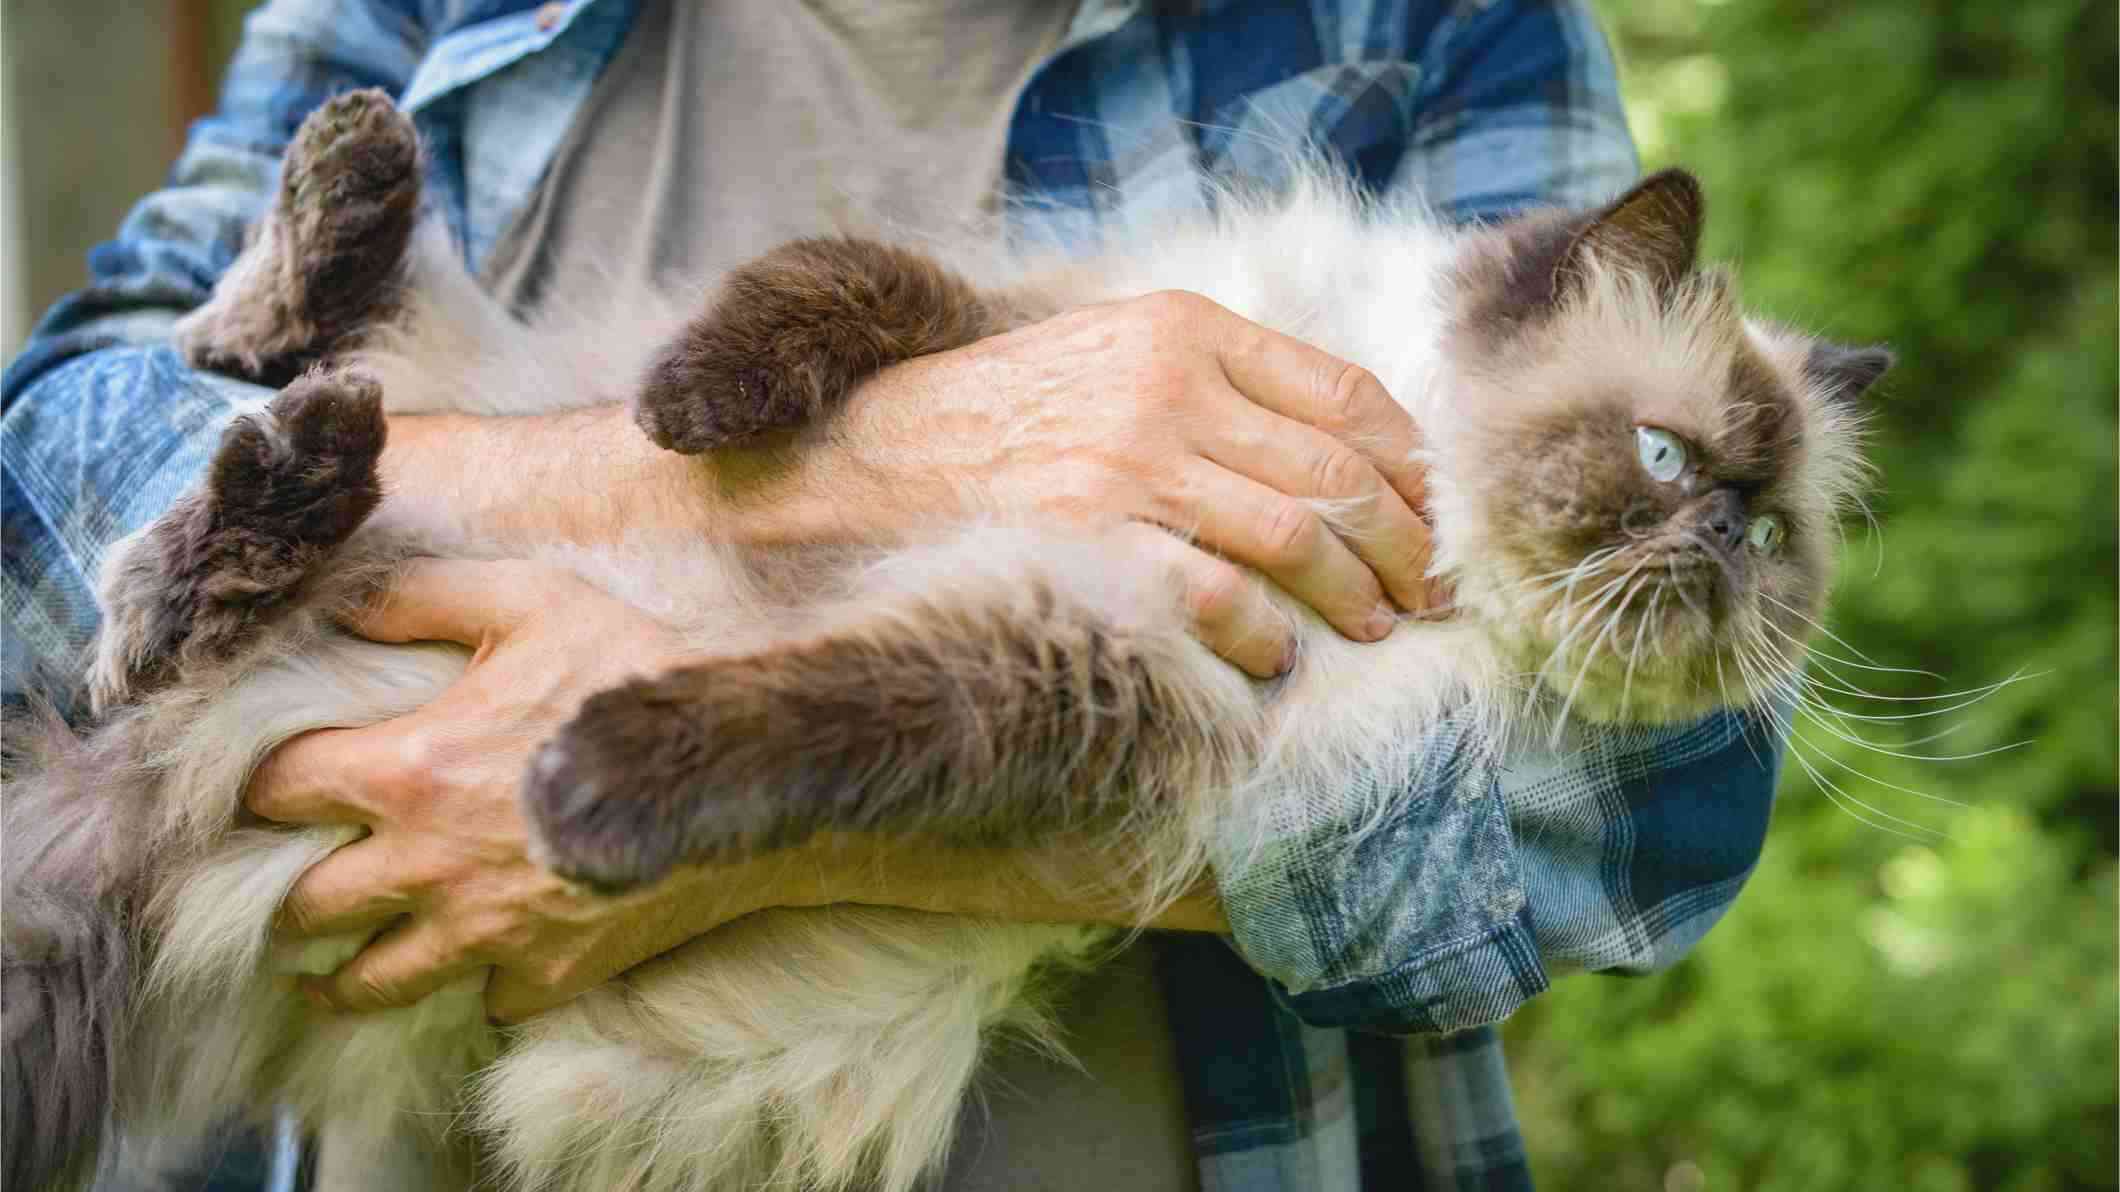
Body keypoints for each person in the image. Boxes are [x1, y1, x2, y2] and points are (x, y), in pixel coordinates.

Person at [0, 1, 1784, 1188]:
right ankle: (321, 367)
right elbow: (54, 454)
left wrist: (773, 829)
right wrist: (865, 456)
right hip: (351, 875)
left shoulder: (1426, 29)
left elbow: (1646, 813)